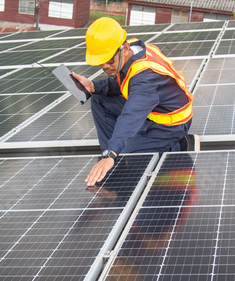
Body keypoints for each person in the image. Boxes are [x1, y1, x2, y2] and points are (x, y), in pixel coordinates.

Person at [71, 17, 194, 187]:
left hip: (170, 125)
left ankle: (176, 146)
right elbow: (123, 82)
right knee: (99, 99)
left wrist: (112, 154)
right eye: (101, 62)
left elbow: (131, 115)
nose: (106, 66)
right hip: (152, 109)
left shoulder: (145, 77)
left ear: (124, 48)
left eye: (109, 60)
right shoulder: (134, 50)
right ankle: (111, 161)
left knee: (129, 154)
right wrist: (93, 86)